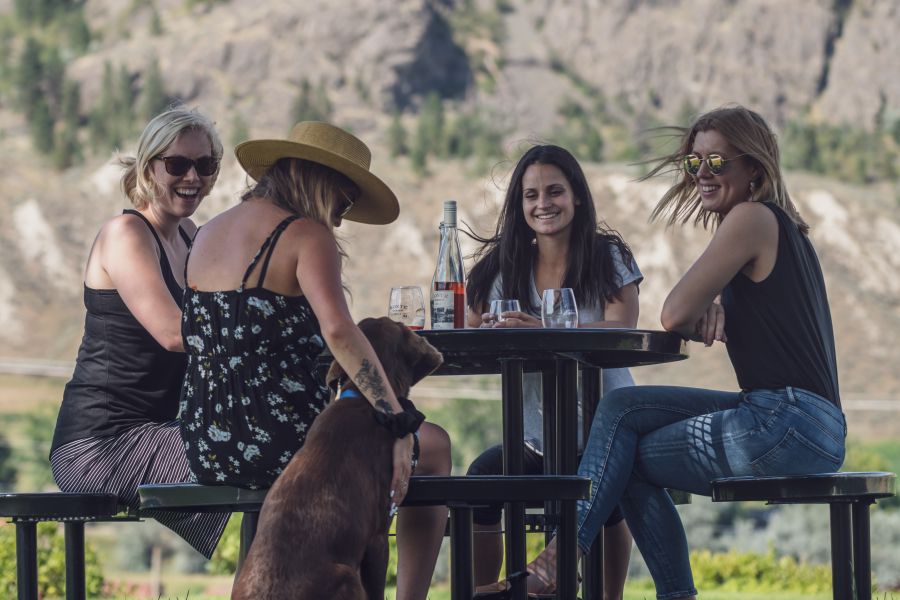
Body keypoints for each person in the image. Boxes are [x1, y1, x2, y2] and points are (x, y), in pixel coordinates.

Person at [520, 106, 846, 599]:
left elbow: (672, 315)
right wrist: (715, 309)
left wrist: (700, 311)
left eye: (717, 163)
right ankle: (570, 561)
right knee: (622, 409)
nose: (703, 175)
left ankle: (562, 559)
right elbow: (697, 315)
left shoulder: (750, 218)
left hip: (787, 420)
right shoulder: (780, 228)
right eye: (695, 164)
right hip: (800, 418)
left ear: (754, 167)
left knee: (621, 456)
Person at [178, 121, 451, 600]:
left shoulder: (208, 232)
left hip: (206, 441)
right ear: (319, 180)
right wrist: (399, 422)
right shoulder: (305, 234)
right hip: (282, 437)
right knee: (435, 447)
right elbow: (340, 331)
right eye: (344, 201)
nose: (341, 219)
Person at [50, 106, 229, 557]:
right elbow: (174, 332)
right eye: (177, 164)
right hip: (100, 445)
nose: (193, 177)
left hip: (165, 431)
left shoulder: (190, 235)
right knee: (261, 451)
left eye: (205, 165)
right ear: (149, 167)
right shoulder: (125, 233)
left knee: (287, 453)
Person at [465, 144, 642, 599]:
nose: (542, 203)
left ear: (577, 196)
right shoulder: (507, 264)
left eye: (555, 191)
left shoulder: (606, 255)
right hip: (536, 436)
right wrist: (489, 325)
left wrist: (543, 328)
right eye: (530, 195)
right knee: (481, 482)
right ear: (519, 205)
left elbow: (622, 324)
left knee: (608, 494)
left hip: (605, 431)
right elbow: (470, 319)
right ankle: (487, 591)